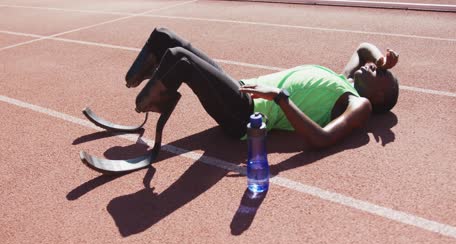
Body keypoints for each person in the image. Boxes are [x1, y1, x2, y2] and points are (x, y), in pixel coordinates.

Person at [126, 28, 399, 149]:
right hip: (242, 91)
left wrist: (280, 99)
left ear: (378, 97)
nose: (375, 67)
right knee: (165, 37)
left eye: (381, 73)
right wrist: (380, 59)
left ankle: (151, 101)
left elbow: (323, 139)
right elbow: (363, 47)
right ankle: (153, 86)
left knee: (179, 58)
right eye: (377, 66)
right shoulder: (344, 79)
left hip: (249, 116)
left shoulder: (359, 104)